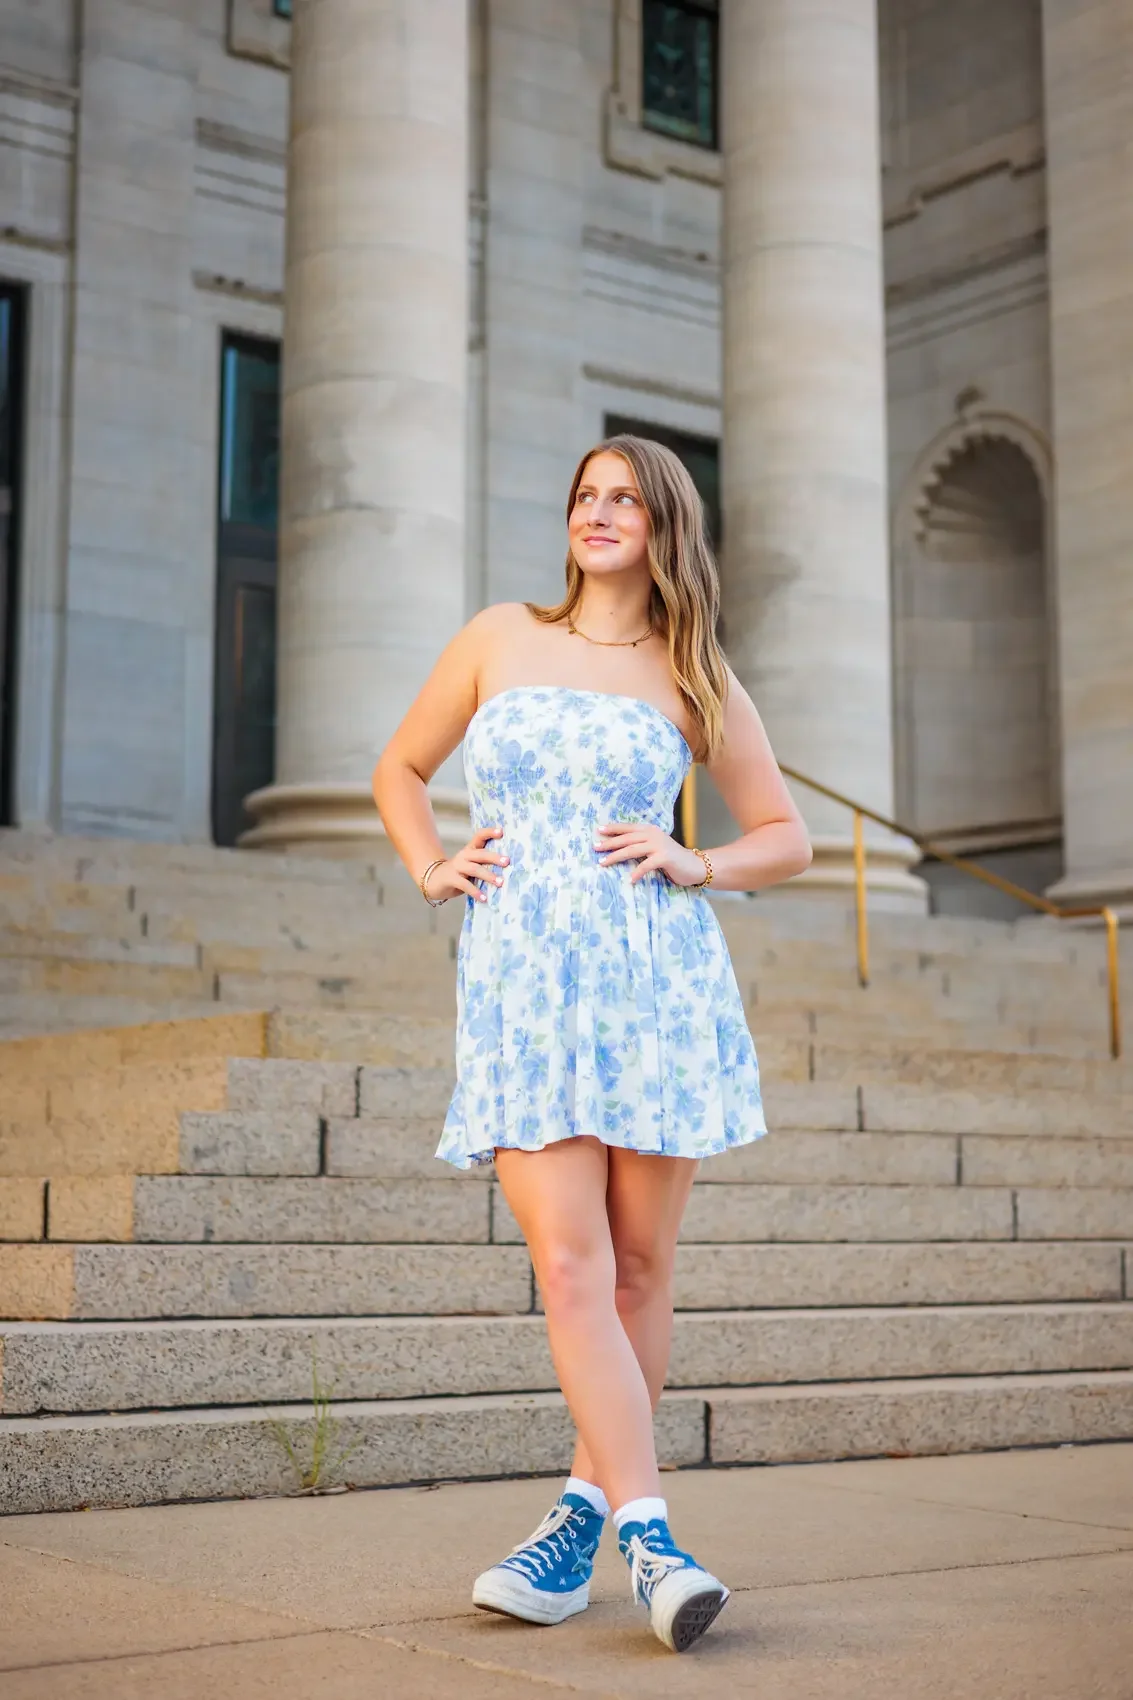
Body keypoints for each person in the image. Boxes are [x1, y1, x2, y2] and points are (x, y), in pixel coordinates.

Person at [373, 434, 812, 1653]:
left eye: (624, 498)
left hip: (655, 985)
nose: (598, 512)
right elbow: (399, 766)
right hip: (520, 985)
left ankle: (572, 1525)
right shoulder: (496, 634)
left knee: (634, 1271)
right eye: (582, 495)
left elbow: (787, 835)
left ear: (665, 522)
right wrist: (432, 864)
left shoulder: (691, 669)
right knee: (567, 1268)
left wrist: (699, 858)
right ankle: (650, 1540)